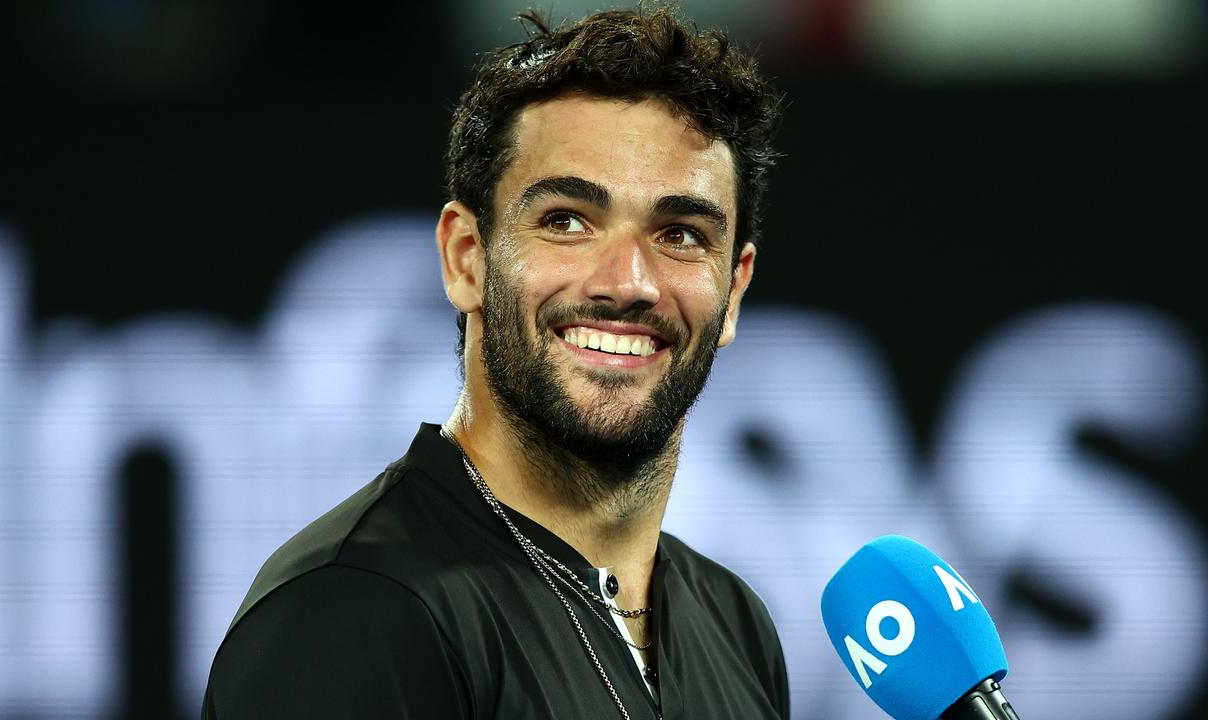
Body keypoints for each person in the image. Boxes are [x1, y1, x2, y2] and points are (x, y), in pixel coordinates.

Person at [203, 6, 787, 718]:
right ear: (465, 259)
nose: (628, 282)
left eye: (681, 233)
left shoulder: (735, 625)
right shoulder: (356, 609)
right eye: (566, 221)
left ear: (733, 291)